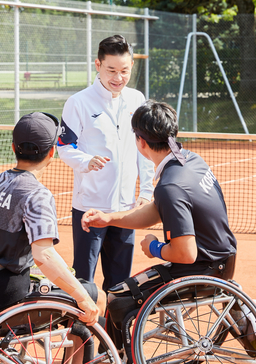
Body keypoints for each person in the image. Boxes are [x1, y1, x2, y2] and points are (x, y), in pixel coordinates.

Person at [81, 100, 238, 350]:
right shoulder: (189, 160)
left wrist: (154, 247)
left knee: (117, 298)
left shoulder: (171, 186)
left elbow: (185, 253)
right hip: (222, 259)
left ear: (141, 142)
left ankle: (117, 356)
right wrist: (110, 218)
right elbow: (156, 210)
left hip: (203, 269)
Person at [0, 111, 104, 326]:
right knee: (96, 297)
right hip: (14, 297)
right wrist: (84, 299)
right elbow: (44, 256)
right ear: (51, 152)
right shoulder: (37, 195)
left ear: (13, 147)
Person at [57, 35, 154, 292]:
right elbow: (64, 147)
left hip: (126, 211)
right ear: (98, 65)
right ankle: (83, 333)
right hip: (89, 209)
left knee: (121, 286)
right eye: (111, 70)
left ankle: (115, 332)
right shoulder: (78, 102)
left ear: (132, 66)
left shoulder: (137, 99)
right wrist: (86, 161)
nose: (118, 77)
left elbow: (145, 151)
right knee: (84, 285)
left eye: (124, 71)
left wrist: (146, 191)